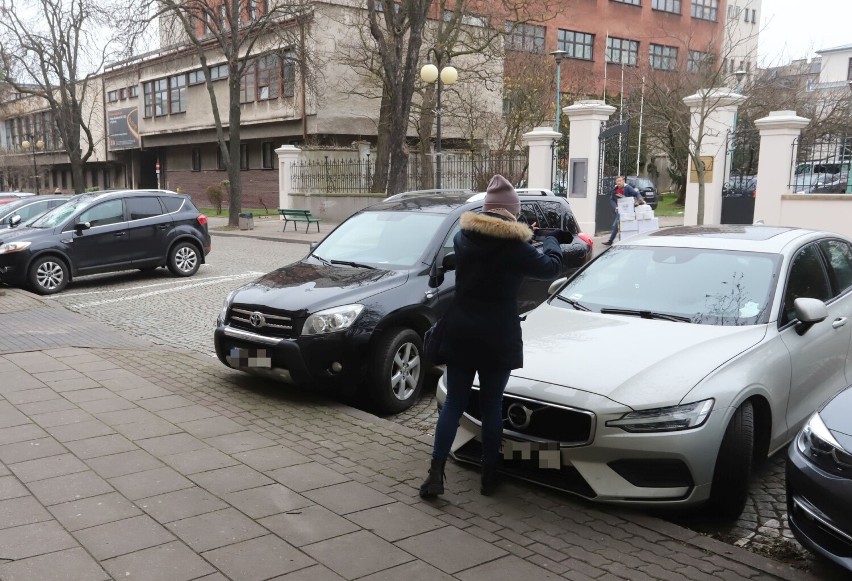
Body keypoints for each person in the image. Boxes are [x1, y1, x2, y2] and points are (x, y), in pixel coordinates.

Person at [419, 175, 567, 498]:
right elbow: (552, 268)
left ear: (486, 210)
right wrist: (550, 239)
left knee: (454, 404)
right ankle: (488, 477)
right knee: (491, 405)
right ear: (511, 213)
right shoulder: (516, 248)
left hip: (461, 331)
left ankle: (434, 474)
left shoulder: (463, 238)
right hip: (496, 335)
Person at [603, 176, 644, 246]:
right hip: (620, 210)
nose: (618, 182)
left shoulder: (627, 187)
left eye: (620, 181)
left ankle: (613, 240)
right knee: (616, 225)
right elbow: (612, 199)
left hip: (629, 210)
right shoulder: (615, 189)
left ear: (623, 181)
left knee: (617, 225)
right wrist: (615, 207)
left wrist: (640, 200)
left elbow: (636, 193)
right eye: (617, 181)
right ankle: (612, 240)